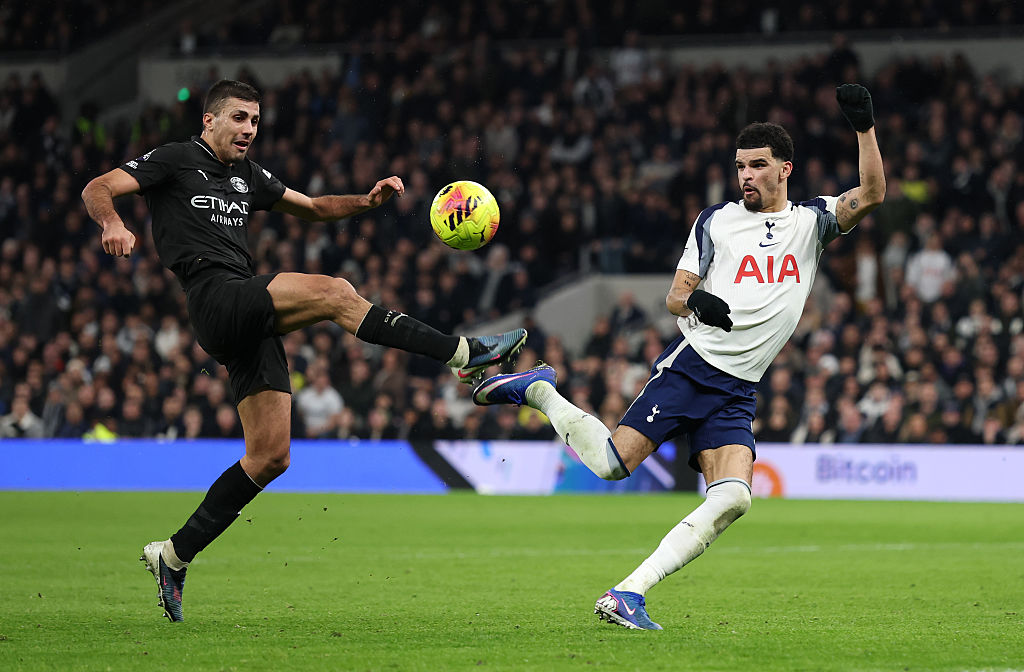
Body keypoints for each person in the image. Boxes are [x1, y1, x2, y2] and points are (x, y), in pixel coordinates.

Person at [81, 79, 526, 622]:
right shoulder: (175, 160)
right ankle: (461, 353)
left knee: (271, 456)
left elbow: (312, 206)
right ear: (209, 120)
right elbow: (97, 186)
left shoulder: (247, 175)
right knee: (336, 292)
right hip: (215, 297)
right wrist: (112, 222)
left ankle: (173, 556)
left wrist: (365, 201)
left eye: (255, 122)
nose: (249, 130)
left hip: (248, 313)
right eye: (239, 118)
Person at [472, 84, 884, 629]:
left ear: (786, 169)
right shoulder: (716, 221)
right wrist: (699, 301)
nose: (746, 176)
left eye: (758, 166)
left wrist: (863, 127)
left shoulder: (813, 221)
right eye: (740, 166)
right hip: (694, 366)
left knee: (734, 499)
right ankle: (539, 390)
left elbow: (873, 193)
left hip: (740, 387)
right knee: (611, 465)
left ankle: (628, 593)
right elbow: (673, 296)